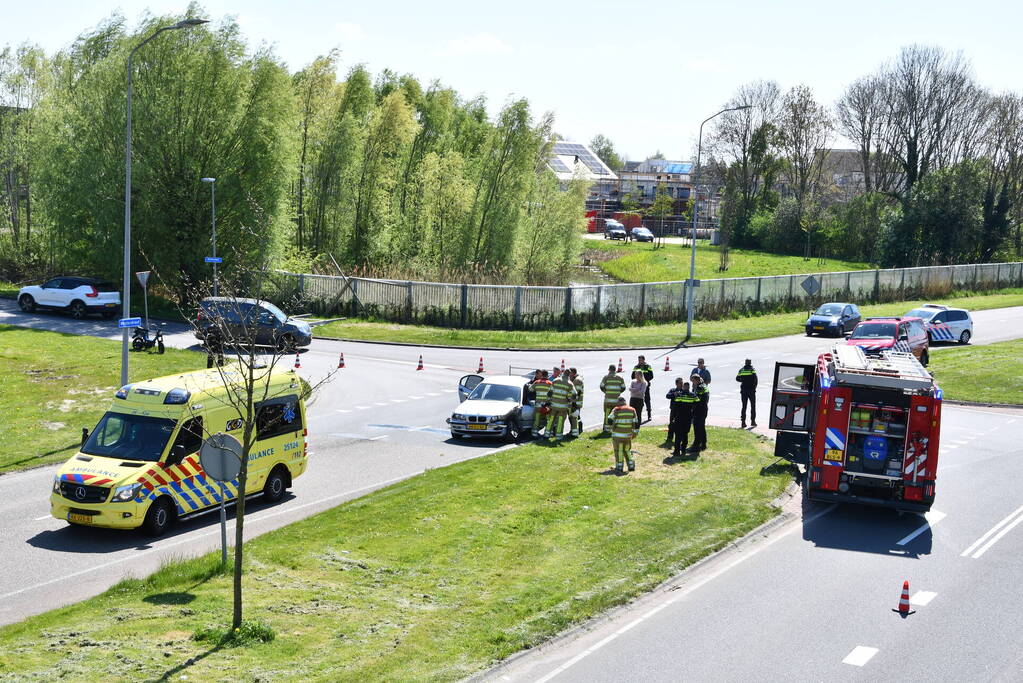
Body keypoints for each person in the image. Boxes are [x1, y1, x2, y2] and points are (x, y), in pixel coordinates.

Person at [609, 396, 638, 474]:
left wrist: (612, 426)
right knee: (627, 450)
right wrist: (635, 432)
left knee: (618, 451)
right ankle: (631, 466)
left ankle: (619, 467)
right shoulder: (632, 410)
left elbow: (609, 420)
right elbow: (635, 422)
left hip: (617, 435)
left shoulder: (616, 409)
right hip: (628, 435)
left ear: (618, 402)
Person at [547, 369, 577, 440]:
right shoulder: (570, 383)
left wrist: (548, 401)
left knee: (551, 420)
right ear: (569, 375)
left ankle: (547, 434)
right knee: (560, 421)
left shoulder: (555, 380)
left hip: (554, 405)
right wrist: (570, 400)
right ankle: (559, 436)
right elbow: (575, 394)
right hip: (563, 407)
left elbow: (549, 392)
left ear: (563, 373)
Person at [599, 364, 626, 433]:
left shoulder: (606, 377)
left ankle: (606, 429)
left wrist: (606, 392)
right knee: (615, 414)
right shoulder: (620, 377)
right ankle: (614, 428)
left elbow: (601, 386)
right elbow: (623, 387)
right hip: (616, 401)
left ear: (609, 370)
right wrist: (618, 392)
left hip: (608, 400)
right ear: (615, 370)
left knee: (607, 414)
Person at [689, 374, 710, 452]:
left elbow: (697, 400)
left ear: (696, 380)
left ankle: (696, 445)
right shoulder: (703, 385)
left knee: (697, 427)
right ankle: (703, 444)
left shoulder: (699, 388)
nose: (693, 383)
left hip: (699, 410)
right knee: (701, 427)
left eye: (693, 381)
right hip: (703, 409)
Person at [735, 359, 758, 428]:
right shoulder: (752, 370)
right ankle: (753, 421)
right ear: (750, 363)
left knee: (744, 406)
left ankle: (743, 422)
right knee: (753, 406)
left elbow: (737, 378)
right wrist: (754, 387)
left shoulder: (741, 370)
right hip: (751, 390)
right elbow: (755, 379)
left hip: (744, 390)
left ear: (745, 363)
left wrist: (743, 380)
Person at [530, 370, 553, 437]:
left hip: (538, 406)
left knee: (537, 420)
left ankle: (534, 433)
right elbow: (553, 393)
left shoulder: (537, 382)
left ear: (542, 375)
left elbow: (530, 389)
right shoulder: (550, 383)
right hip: (547, 406)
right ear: (547, 375)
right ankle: (548, 433)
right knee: (549, 420)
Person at [633, 355, 654, 421]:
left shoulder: (648, 366)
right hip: (637, 386)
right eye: (638, 360)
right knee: (638, 400)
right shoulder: (636, 367)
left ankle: (649, 415)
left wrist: (643, 379)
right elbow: (632, 376)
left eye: (640, 360)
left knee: (647, 400)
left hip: (645, 385)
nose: (639, 361)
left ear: (643, 360)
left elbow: (651, 376)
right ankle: (637, 416)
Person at [568, 367, 584, 437]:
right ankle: (578, 429)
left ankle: (576, 430)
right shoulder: (575, 379)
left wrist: (573, 403)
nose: (569, 375)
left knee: (574, 417)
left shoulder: (577, 381)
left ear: (573, 373)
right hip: (576, 402)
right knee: (576, 416)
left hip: (576, 402)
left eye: (570, 373)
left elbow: (576, 393)